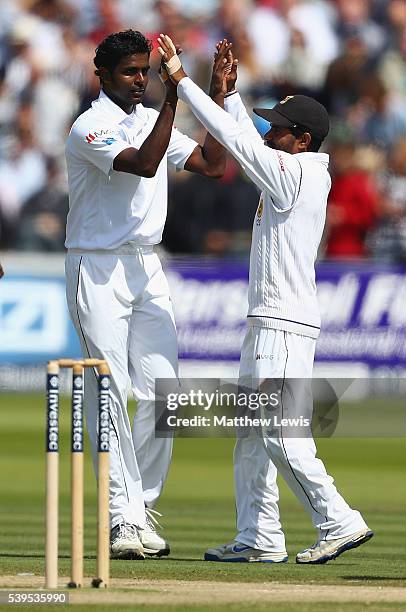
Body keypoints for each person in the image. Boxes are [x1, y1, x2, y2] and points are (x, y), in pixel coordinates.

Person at [158, 34, 373, 564]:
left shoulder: (296, 175)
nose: (267, 132)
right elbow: (246, 136)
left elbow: (239, 145)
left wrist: (185, 84)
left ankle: (338, 519)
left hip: (283, 322)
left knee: (278, 431)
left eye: (277, 128)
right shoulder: (292, 165)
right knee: (252, 434)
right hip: (271, 319)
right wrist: (228, 94)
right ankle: (259, 536)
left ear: (301, 139)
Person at [64, 29, 226, 560]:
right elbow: (143, 163)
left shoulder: (147, 118)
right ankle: (120, 518)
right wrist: (175, 97)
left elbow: (209, 164)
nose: (141, 80)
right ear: (104, 76)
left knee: (164, 396)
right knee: (109, 393)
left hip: (146, 266)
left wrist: (216, 97)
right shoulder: (90, 126)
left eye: (145, 71)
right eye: (131, 72)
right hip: (99, 265)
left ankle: (141, 510)